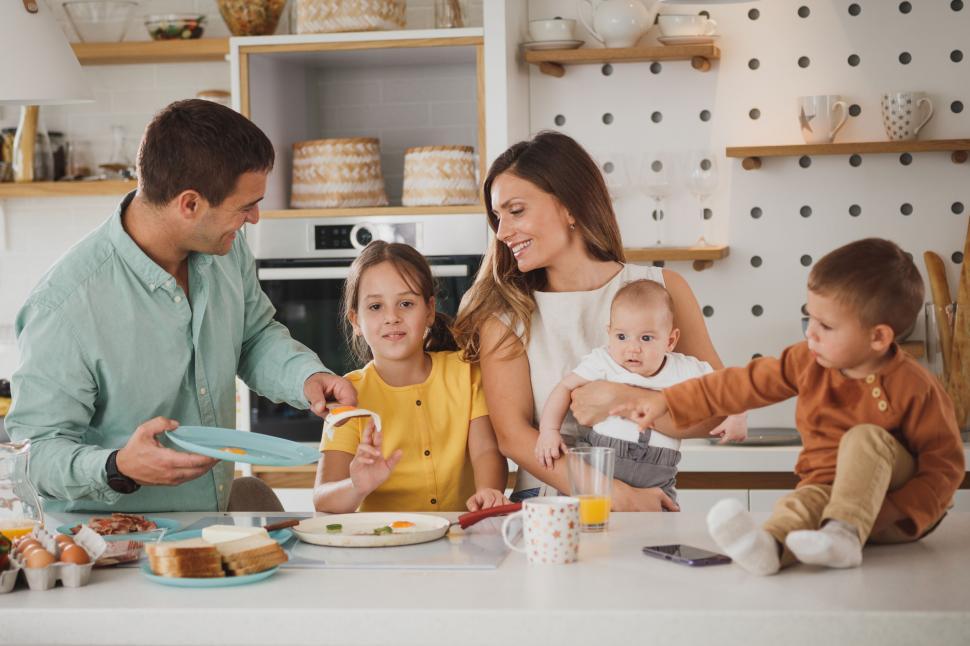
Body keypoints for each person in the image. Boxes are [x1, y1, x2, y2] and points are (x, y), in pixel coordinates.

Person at [6, 99, 355, 513]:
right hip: (116, 554)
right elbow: (33, 457)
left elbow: (254, 336)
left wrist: (306, 377)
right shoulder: (65, 305)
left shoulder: (226, 247)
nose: (255, 218)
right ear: (189, 204)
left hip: (211, 524)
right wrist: (118, 466)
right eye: (245, 207)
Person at [616, 238, 966, 575]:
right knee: (801, 503)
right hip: (826, 493)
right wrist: (666, 399)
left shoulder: (916, 387)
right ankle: (769, 548)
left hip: (893, 510)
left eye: (826, 326)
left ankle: (843, 533)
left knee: (864, 439)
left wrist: (895, 511)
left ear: (878, 338)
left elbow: (943, 468)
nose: (810, 333)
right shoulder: (805, 360)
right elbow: (740, 384)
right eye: (808, 317)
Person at [453, 131, 745, 511]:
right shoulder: (507, 314)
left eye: (517, 210)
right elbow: (513, 438)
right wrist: (617, 497)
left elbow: (716, 410)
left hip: (650, 499)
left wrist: (621, 399)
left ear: (570, 206)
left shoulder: (664, 289)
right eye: (497, 216)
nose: (502, 231)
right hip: (548, 506)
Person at [312, 241, 509, 513]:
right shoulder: (347, 395)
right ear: (355, 321)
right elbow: (323, 497)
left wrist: (488, 491)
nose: (392, 317)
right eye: (375, 307)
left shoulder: (466, 372)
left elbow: (486, 451)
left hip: (458, 538)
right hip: (382, 546)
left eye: (406, 303)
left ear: (429, 310)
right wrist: (357, 485)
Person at [535, 279, 746, 502]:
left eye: (646, 338)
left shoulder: (685, 369)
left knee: (661, 522)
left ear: (670, 341)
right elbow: (565, 387)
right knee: (586, 521)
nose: (632, 348)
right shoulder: (604, 361)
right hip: (601, 466)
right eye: (621, 336)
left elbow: (731, 386)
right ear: (609, 333)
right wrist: (549, 430)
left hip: (658, 474)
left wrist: (737, 414)